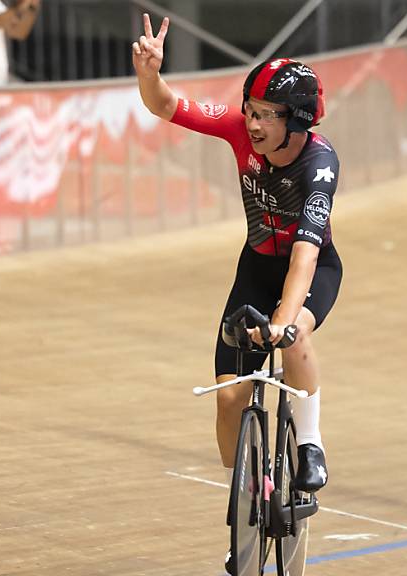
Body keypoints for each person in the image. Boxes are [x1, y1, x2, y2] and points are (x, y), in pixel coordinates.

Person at [133, 13, 341, 504]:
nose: (252, 122)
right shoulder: (238, 131)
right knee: (229, 398)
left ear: (298, 120)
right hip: (256, 267)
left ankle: (310, 444)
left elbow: (305, 257)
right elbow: (164, 105)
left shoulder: (320, 165)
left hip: (309, 269)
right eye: (250, 109)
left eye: (267, 114)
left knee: (295, 335)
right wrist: (149, 74)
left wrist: (281, 323)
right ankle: (249, 490)